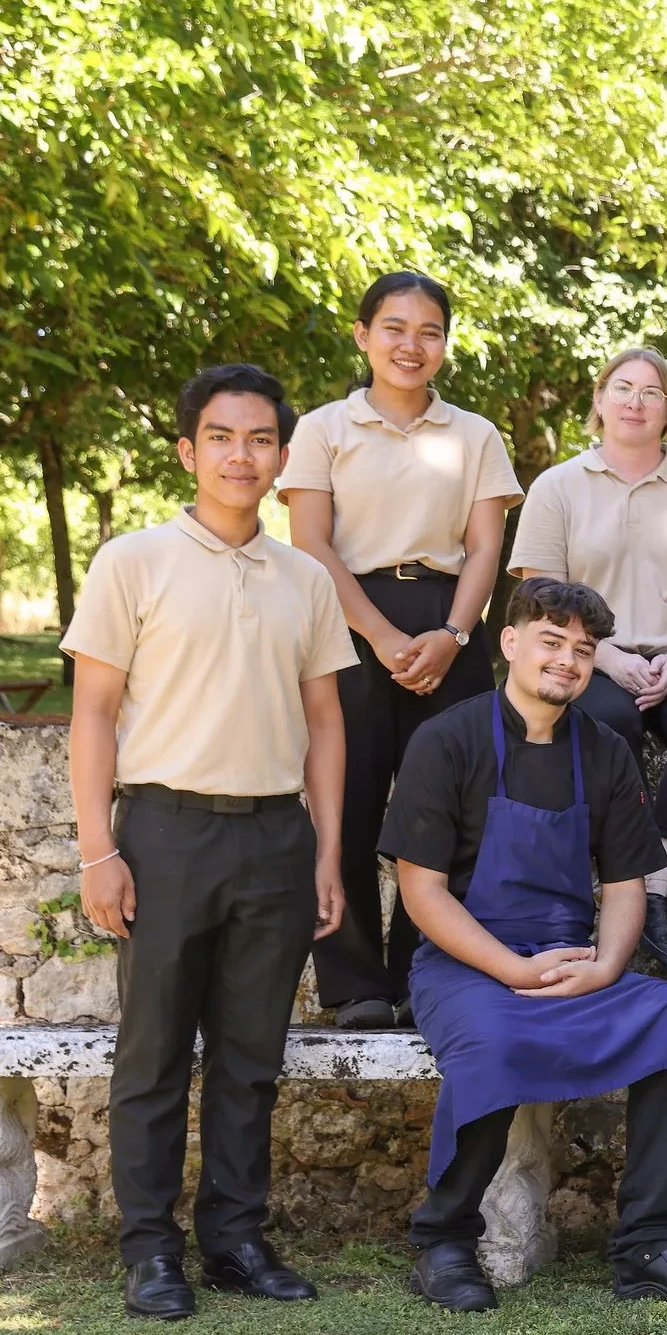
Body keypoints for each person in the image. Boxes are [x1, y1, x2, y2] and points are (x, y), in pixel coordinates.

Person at [66, 365, 357, 1320]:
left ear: (281, 456)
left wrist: (325, 854)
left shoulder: (305, 578)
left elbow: (325, 724)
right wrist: (97, 852)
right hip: (164, 832)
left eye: (261, 439)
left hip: (275, 837)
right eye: (223, 438)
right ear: (190, 452)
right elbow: (94, 716)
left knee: (250, 1056)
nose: (242, 455)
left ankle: (235, 1237)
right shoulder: (132, 562)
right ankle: (150, 1251)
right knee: (151, 1054)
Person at [387, 579, 667, 1312]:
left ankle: (648, 1244)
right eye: (552, 642)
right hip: (465, 967)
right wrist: (512, 969)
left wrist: (608, 966)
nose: (569, 661)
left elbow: (625, 887)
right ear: (510, 643)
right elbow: (422, 894)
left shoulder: (604, 751)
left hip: (573, 960)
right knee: (490, 1041)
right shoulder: (446, 741)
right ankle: (445, 1240)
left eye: (584, 650)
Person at [281, 271, 523, 1029]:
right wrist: (381, 637)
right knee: (344, 803)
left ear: (445, 344)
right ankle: (354, 985)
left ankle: (425, 972)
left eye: (428, 331)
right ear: (363, 335)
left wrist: (453, 636)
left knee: (446, 811)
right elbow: (310, 543)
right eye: (394, 327)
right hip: (346, 619)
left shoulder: (476, 435)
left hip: (450, 621)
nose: (410, 345)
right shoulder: (324, 429)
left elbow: (486, 547)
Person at [508, 348, 667, 981]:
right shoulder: (558, 486)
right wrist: (602, 655)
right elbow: (541, 598)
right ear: (600, 402)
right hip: (585, 655)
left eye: (652, 392)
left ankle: (656, 889)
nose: (637, 401)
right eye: (623, 388)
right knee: (614, 728)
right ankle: (620, 883)